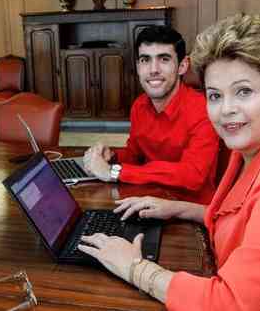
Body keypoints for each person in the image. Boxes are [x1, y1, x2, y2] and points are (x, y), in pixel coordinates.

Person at [78, 13, 260, 310]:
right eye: (215, 95)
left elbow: (226, 303)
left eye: (244, 91)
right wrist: (178, 208)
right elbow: (242, 221)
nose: (226, 110)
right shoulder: (252, 143)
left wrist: (134, 268)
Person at [84, 25, 219, 204]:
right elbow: (135, 156)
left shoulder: (204, 109)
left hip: (190, 213)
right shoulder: (139, 106)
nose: (153, 69)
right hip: (146, 200)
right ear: (138, 66)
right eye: (145, 60)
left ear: (182, 66)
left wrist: (114, 172)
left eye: (164, 59)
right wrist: (112, 156)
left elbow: (192, 175)